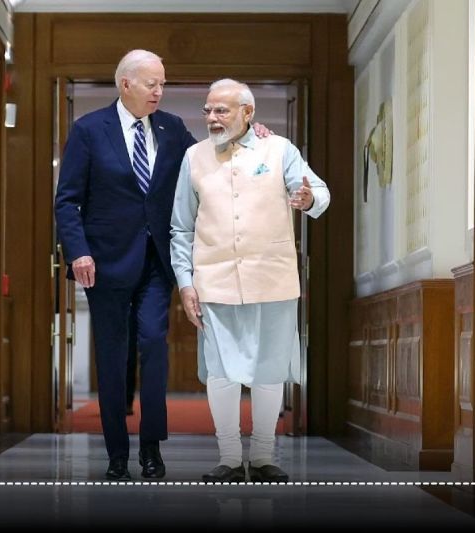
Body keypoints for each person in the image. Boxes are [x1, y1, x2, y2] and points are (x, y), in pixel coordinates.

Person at [55, 51, 270, 481]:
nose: (159, 91)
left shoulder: (172, 129)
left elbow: (207, 160)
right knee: (113, 356)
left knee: (153, 345)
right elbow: (68, 200)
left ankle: (151, 448)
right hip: (104, 263)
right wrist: (78, 251)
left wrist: (249, 135)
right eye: (151, 83)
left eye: (162, 83)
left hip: (156, 262)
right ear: (125, 85)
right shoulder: (88, 130)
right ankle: (117, 452)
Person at [170, 79, 330, 483]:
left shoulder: (279, 149)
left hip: (272, 278)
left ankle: (262, 456)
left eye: (221, 110)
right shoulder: (194, 157)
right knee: (221, 371)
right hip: (215, 280)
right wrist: (186, 282)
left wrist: (307, 200)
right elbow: (180, 229)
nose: (211, 117)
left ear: (248, 113)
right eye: (208, 110)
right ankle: (227, 456)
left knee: (269, 368)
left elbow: (319, 193)